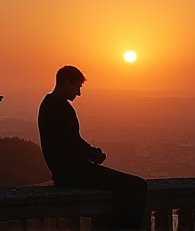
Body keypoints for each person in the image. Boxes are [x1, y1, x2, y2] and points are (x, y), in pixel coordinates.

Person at [38, 65, 148, 230]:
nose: (79, 93)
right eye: (78, 87)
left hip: (64, 172)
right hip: (73, 172)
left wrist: (90, 151)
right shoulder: (60, 107)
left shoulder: (48, 105)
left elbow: (70, 141)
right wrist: (92, 155)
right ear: (67, 83)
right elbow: (71, 144)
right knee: (137, 186)